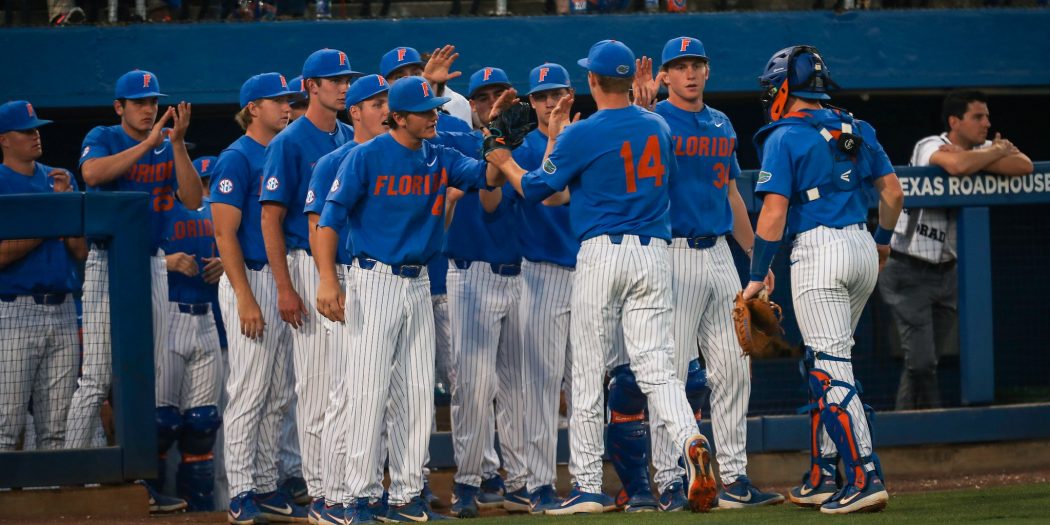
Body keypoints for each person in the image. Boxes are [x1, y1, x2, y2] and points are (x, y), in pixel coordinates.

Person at [484, 39, 717, 514]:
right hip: (654, 252)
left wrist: (501, 155)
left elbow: (533, 189)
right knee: (656, 365)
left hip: (602, 253)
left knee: (589, 371)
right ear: (631, 79)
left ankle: (588, 485)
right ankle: (690, 438)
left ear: (592, 81)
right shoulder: (658, 125)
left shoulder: (583, 132)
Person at [314, 75, 507, 523]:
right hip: (374, 280)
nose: (434, 115)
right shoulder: (365, 157)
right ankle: (359, 498)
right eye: (425, 111)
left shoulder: (439, 154)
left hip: (419, 282)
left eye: (436, 108)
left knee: (418, 395)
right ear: (397, 117)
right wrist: (328, 280)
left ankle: (405, 496)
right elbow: (329, 221)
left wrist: (496, 136)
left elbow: (488, 176)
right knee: (368, 392)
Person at [744, 45, 903, 514]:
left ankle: (864, 476)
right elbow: (892, 192)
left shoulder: (784, 135)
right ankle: (821, 475)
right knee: (825, 357)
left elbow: (773, 214)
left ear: (784, 87)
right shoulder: (854, 126)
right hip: (861, 247)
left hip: (820, 252)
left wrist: (755, 277)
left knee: (828, 368)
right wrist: (883, 241)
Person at [631, 36, 782, 510]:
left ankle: (734, 478)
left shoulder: (721, 122)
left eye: (697, 64)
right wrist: (642, 115)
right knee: (670, 375)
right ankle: (673, 480)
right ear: (666, 76)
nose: (690, 73)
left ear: (707, 71)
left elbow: (733, 194)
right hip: (671, 253)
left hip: (719, 254)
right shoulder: (654, 122)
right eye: (679, 66)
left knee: (735, 369)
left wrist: (756, 258)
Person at [67, 69, 201, 514]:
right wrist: (147, 144)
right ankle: (74, 474)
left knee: (146, 379)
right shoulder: (103, 135)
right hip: (108, 266)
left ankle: (137, 481)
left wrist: (176, 143)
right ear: (119, 107)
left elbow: (193, 198)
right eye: (139, 102)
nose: (149, 109)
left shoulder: (167, 144)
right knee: (97, 378)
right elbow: (91, 173)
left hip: (150, 264)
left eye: (152, 101)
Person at [881, 90, 1032, 410]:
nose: (987, 123)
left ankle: (914, 431)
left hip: (947, 273)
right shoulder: (930, 145)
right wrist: (993, 153)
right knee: (921, 361)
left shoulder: (980, 149)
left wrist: (985, 154)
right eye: (978, 117)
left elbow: (1025, 166)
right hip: (908, 268)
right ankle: (919, 427)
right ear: (954, 121)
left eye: (987, 116)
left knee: (926, 361)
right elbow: (958, 166)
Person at [259, 48, 357, 520]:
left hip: (344, 268)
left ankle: (341, 487)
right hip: (303, 263)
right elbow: (271, 219)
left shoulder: (347, 134)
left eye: (346, 79)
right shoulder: (290, 140)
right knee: (317, 386)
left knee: (344, 386)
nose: (342, 85)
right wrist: (284, 286)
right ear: (310, 86)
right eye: (333, 79)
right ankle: (320, 492)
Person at [210, 72, 303, 524]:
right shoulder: (236, 157)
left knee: (280, 389)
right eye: (277, 100)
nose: (287, 107)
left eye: (288, 100)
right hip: (248, 277)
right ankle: (241, 489)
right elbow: (224, 234)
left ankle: (266, 483)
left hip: (282, 277)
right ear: (253, 108)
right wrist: (245, 298)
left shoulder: (283, 151)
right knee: (248, 388)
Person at [443, 65, 530, 518]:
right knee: (473, 390)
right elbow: (489, 202)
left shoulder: (528, 143)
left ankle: (520, 483)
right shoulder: (456, 137)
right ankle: (466, 484)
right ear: (472, 104)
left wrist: (505, 138)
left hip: (520, 275)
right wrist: (493, 135)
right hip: (470, 275)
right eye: (483, 98)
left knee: (518, 390)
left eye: (500, 95)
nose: (491, 103)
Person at [304, 73, 390, 524]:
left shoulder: (396, 156)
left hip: (378, 281)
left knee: (377, 393)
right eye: (375, 104)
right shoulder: (332, 160)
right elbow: (318, 226)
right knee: (343, 390)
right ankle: (333, 496)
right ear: (354, 111)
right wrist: (325, 279)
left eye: (387, 103)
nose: (385, 110)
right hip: (341, 276)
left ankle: (366, 490)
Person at [509, 62, 577, 514]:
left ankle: (587, 478)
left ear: (570, 95)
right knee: (541, 386)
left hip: (590, 268)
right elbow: (546, 190)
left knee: (590, 383)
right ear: (530, 103)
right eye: (541, 96)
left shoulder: (588, 135)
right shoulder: (526, 145)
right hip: (542, 272)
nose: (550, 102)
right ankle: (539, 483)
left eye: (557, 94)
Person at [0, 101, 85, 452]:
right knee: (7, 425)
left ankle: (57, 509)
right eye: (26, 130)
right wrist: (52, 219)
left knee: (57, 429)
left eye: (37, 128)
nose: (36, 135)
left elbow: (81, 252)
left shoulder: (59, 178)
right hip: (15, 310)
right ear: (4, 139)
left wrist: (64, 207)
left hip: (63, 309)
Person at [157, 156, 225, 512]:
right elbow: (123, 255)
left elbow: (247, 248)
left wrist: (228, 263)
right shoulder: (159, 208)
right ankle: (152, 505)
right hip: (168, 313)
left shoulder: (215, 209)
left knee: (202, 424)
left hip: (207, 316)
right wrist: (164, 262)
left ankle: (202, 512)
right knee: (161, 424)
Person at [380, 45, 473, 130]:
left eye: (416, 73)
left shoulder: (456, 102)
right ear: (386, 84)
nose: (410, 79)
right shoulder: (379, 113)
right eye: (399, 77)